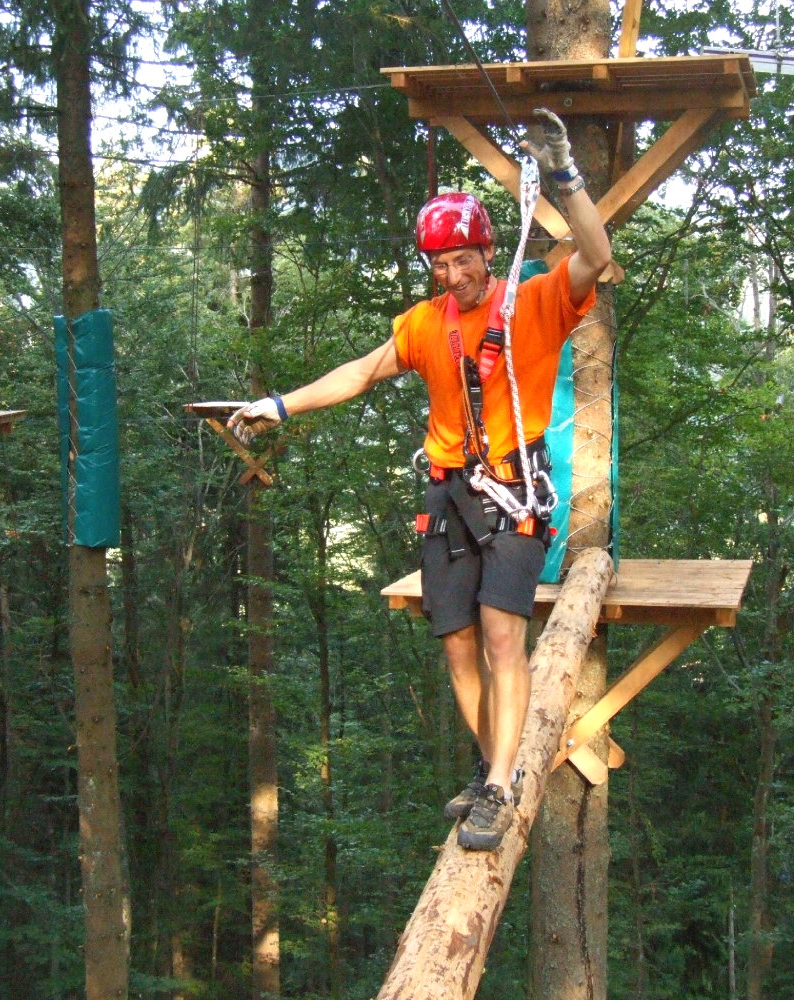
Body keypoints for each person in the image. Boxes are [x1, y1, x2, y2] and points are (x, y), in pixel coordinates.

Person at [228, 109, 611, 850]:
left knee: (504, 636)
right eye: (441, 263)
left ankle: (502, 785)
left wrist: (562, 176)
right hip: (449, 497)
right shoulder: (424, 323)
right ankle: (489, 757)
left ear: (487, 252)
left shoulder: (531, 301)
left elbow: (595, 253)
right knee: (458, 644)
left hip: (512, 495)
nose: (453, 273)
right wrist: (281, 404)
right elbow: (360, 373)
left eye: (464, 258)